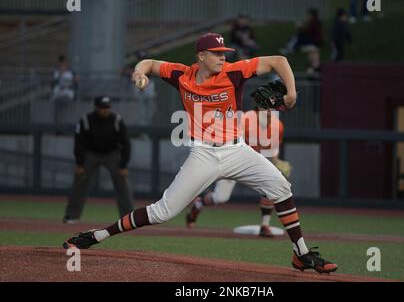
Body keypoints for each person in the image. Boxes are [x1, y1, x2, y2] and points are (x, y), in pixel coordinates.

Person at [63, 33, 337, 274]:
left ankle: (301, 253)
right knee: (162, 212)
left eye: (223, 53)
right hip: (203, 154)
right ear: (201, 56)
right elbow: (149, 64)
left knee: (281, 187)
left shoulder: (233, 72)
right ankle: (98, 234)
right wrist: (139, 72)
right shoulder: (182, 74)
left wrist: (291, 95)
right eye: (216, 53)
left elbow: (279, 60)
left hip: (236, 150)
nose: (222, 57)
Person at [186, 108, 292, 238]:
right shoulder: (246, 119)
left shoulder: (278, 126)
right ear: (258, 109)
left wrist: (279, 163)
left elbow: (272, 153)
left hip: (252, 164)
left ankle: (264, 225)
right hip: (232, 160)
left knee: (270, 185)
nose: (269, 111)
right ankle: (200, 203)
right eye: (266, 107)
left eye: (272, 108)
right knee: (220, 198)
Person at [63, 96, 134, 224]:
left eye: (107, 107)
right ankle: (71, 216)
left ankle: (128, 218)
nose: (105, 110)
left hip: (112, 153)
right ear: (96, 107)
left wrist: (123, 165)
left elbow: (126, 143)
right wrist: (80, 163)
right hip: (91, 153)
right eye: (102, 108)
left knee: (122, 181)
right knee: (80, 181)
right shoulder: (86, 120)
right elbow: (79, 143)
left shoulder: (116, 120)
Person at [51, 55, 78, 125]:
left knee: (61, 102)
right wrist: (60, 74)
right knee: (57, 103)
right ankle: (57, 125)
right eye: (62, 64)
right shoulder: (56, 73)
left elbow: (75, 84)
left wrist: (71, 83)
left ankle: (60, 125)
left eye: (65, 63)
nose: (63, 65)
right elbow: (53, 84)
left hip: (67, 95)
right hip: (58, 95)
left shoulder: (71, 73)